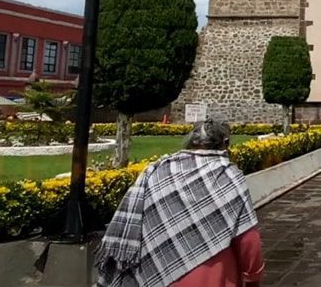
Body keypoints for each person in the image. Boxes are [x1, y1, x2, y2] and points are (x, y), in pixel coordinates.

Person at [97, 118, 264, 287]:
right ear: (226, 143)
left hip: (158, 271)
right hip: (213, 276)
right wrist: (252, 277)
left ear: (191, 140)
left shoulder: (158, 169)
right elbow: (248, 239)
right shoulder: (228, 176)